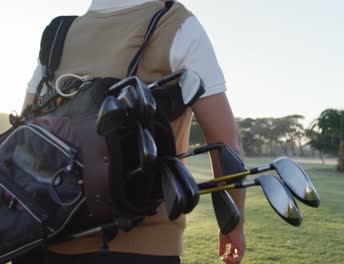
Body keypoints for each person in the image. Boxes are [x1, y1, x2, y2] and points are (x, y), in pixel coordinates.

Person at [19, 0, 246, 263]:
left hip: (42, 241)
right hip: (141, 247)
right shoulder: (175, 23)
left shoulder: (59, 33)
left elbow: (26, 129)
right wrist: (232, 223)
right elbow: (226, 142)